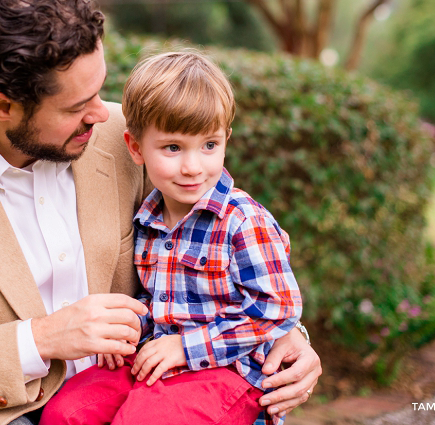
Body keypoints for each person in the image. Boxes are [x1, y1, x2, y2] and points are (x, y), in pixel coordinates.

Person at [0, 0, 321, 425]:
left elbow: (220, 239)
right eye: (76, 106)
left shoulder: (126, 137)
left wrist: (290, 338)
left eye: (99, 89)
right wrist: (41, 338)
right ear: (2, 106)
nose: (101, 113)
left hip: (155, 391)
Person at [40, 51, 302, 425]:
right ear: (135, 148)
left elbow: (278, 309)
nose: (193, 166)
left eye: (209, 145)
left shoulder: (242, 221)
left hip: (228, 372)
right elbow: (159, 297)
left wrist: (185, 347)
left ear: (226, 139)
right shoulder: (148, 217)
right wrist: (129, 333)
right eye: (173, 148)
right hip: (155, 356)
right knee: (66, 414)